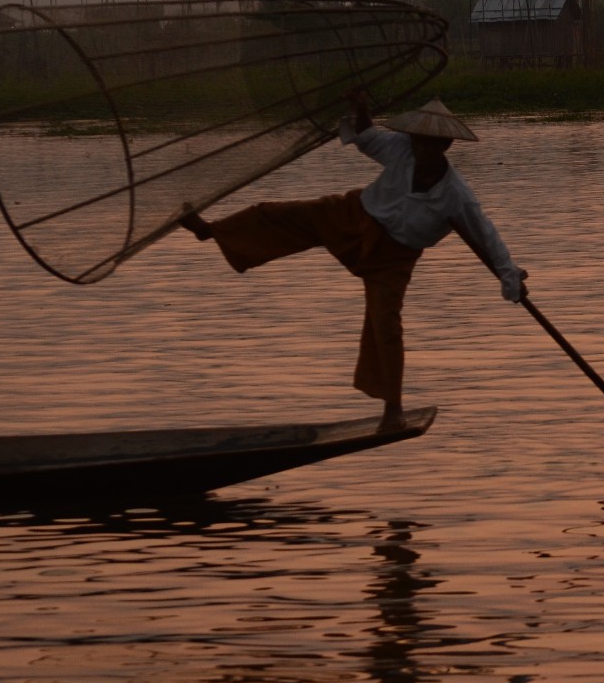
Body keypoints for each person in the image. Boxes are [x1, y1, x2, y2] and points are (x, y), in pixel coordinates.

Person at [177, 92, 525, 430]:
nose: (421, 149)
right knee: (279, 214)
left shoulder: (456, 195)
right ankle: (211, 231)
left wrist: (509, 275)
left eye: (430, 144)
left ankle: (393, 406)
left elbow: (486, 237)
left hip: (393, 258)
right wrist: (361, 108)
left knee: (385, 326)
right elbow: (368, 138)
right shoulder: (401, 150)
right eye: (418, 141)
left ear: (445, 147)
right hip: (355, 216)